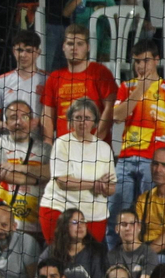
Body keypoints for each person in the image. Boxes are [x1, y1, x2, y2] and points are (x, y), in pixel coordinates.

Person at [110, 42, 165, 237]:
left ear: (157, 60)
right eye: (136, 62)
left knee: (149, 216)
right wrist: (140, 89)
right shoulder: (127, 87)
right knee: (117, 214)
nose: (141, 66)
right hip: (125, 159)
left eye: (145, 61)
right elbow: (117, 116)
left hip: (154, 161)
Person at [38, 99, 114, 245]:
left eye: (87, 118)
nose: (82, 122)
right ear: (70, 121)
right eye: (78, 118)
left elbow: (112, 187)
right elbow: (63, 181)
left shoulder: (104, 148)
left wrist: (104, 187)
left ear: (95, 121)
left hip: (94, 215)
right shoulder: (62, 143)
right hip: (60, 210)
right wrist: (95, 184)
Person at [40, 25, 115, 145]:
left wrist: (96, 142)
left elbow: (110, 110)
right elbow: (47, 116)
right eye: (70, 44)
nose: (74, 48)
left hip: (95, 147)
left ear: (88, 47)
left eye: (79, 44)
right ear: (63, 47)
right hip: (65, 148)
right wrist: (48, 144)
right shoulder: (54, 78)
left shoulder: (101, 73)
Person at [41, 207, 107, 278]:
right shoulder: (51, 251)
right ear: (64, 227)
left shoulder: (96, 251)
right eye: (75, 222)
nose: (80, 226)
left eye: (83, 222)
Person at [0, 30, 46, 137]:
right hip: (9, 146)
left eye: (29, 51)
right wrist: (12, 126)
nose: (23, 55)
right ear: (14, 51)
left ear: (38, 52)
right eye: (20, 50)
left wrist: (37, 122)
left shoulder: (47, 79)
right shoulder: (1, 81)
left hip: (38, 144)